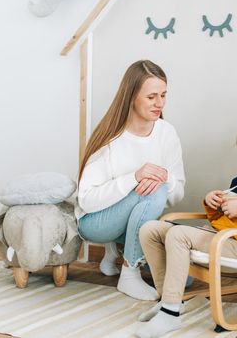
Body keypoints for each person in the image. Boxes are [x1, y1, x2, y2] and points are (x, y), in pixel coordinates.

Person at [136, 115, 237, 338]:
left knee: (177, 234)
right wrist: (212, 204)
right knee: (150, 229)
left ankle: (170, 313)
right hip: (220, 236)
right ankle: (169, 299)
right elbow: (220, 220)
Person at [75, 60, 185, 301]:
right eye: (152, 96)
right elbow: (86, 201)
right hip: (95, 222)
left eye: (164, 95)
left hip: (136, 218)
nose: (160, 103)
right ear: (132, 96)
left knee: (186, 277)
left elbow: (177, 194)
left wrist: (167, 178)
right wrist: (134, 178)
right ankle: (129, 274)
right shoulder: (111, 137)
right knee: (154, 190)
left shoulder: (167, 133)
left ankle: (115, 251)